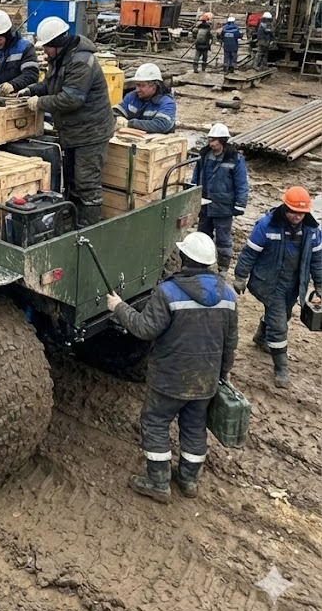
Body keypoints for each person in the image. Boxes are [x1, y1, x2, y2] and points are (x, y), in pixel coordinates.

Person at [106, 231, 238, 503]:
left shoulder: (168, 292)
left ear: (184, 258)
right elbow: (230, 343)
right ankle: (189, 481)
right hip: (206, 378)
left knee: (154, 423)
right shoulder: (228, 295)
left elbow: (144, 329)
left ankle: (158, 483)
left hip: (170, 377)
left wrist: (118, 307)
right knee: (194, 426)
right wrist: (221, 374)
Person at [19, 17, 115, 227]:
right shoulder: (61, 59)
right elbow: (50, 84)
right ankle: (72, 221)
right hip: (73, 132)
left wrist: (39, 103)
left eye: (46, 47)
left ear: (57, 44)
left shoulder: (81, 62)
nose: (44, 51)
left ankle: (87, 229)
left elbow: (72, 99)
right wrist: (31, 90)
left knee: (87, 183)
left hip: (91, 132)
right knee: (71, 179)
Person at [233, 186, 322, 388]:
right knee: (279, 324)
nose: (296, 216)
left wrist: (320, 284)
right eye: (292, 211)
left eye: (301, 213)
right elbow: (249, 252)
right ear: (284, 207)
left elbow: (317, 260)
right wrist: (240, 275)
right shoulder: (266, 225)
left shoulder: (313, 231)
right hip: (270, 283)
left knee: (284, 315)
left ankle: (261, 337)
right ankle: (281, 368)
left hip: (294, 284)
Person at [192, 123, 249, 275]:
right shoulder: (204, 155)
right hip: (204, 204)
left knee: (223, 239)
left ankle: (223, 269)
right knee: (203, 236)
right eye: (210, 140)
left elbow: (241, 183)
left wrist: (240, 204)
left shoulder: (235, 159)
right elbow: (196, 176)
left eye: (214, 140)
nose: (211, 144)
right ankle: (201, 266)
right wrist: (192, 194)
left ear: (223, 140)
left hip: (223, 207)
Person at [114, 62, 176, 133]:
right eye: (137, 85)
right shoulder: (132, 96)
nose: (137, 89)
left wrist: (131, 124)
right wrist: (117, 118)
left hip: (159, 141)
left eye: (142, 85)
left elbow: (161, 125)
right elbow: (116, 112)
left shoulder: (167, 103)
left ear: (154, 85)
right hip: (135, 138)